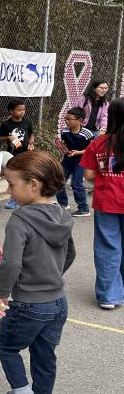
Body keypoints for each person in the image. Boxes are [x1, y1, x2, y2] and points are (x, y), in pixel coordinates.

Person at [0, 150, 74, 394]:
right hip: (58, 302)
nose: (8, 190)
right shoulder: (62, 215)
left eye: (11, 184)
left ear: (33, 185)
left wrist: (1, 293)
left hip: (29, 303)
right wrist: (52, 276)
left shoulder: (21, 219)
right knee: (44, 351)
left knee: (5, 345)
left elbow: (11, 263)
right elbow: (70, 254)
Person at [81, 97, 124, 310]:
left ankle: (109, 295)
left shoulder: (97, 143)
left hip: (106, 202)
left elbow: (88, 175)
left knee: (108, 247)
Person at [55, 107, 93, 217]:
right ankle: (63, 204)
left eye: (69, 119)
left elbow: (91, 149)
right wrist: (62, 147)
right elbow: (64, 144)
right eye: (65, 118)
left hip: (80, 160)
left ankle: (84, 209)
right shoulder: (64, 131)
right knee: (58, 180)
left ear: (79, 120)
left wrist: (78, 152)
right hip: (67, 159)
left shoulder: (86, 133)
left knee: (76, 184)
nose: (66, 121)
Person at [0, 98, 36, 209]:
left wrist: (31, 143)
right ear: (11, 111)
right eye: (19, 110)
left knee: (27, 176)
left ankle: (28, 198)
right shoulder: (6, 124)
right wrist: (8, 137)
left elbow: (31, 134)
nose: (22, 112)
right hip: (13, 155)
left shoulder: (27, 122)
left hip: (27, 154)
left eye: (23, 110)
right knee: (15, 177)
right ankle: (14, 199)